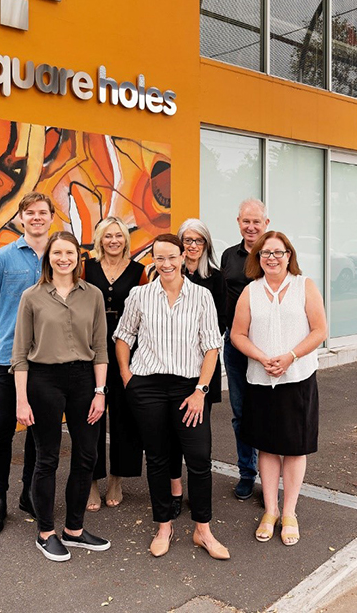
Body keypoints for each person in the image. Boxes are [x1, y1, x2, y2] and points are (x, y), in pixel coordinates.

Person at [114, 233, 229, 560]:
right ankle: (164, 525)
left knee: (198, 458)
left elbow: (211, 347)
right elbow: (123, 336)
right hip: (147, 387)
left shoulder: (202, 296)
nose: (166, 264)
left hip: (189, 388)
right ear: (153, 259)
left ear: (183, 257)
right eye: (159, 258)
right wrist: (127, 377)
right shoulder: (140, 295)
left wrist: (201, 391)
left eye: (172, 257)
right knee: (159, 458)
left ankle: (202, 530)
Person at [12, 231, 111, 562]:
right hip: (44, 381)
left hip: (84, 380)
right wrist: (21, 400)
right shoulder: (32, 297)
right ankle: (45, 533)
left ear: (78, 258)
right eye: (57, 253)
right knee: (48, 458)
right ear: (49, 258)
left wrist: (100, 392)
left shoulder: (93, 295)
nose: (64, 258)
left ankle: (74, 529)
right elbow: (20, 353)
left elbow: (100, 348)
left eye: (70, 252)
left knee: (87, 456)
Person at [231, 231, 327, 546]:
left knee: (295, 447)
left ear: (289, 255)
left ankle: (289, 512)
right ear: (257, 259)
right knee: (268, 446)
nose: (272, 258)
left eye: (278, 252)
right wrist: (261, 357)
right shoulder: (250, 291)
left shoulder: (305, 286)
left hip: (297, 378)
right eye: (265, 253)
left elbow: (320, 330)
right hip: (261, 380)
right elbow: (238, 335)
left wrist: (290, 356)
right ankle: (270, 510)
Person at [0, 191, 52, 536]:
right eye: (30, 212)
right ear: (21, 218)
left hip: (47, 363)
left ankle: (29, 495)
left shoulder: (61, 257)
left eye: (43, 212)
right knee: (1, 431)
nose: (36, 217)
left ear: (52, 217)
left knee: (39, 434)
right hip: (7, 360)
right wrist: (10, 333)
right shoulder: (2, 259)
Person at [83, 216, 148, 511]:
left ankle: (116, 479)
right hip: (91, 346)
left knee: (125, 417)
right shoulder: (87, 267)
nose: (113, 241)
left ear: (125, 240)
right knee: (91, 415)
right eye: (107, 236)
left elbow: (146, 314)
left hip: (127, 348)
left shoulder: (139, 271)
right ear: (100, 240)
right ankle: (92, 482)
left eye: (118, 236)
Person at [173, 218, 226, 519]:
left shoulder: (216, 279)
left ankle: (197, 489)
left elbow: (220, 324)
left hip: (203, 365)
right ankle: (175, 490)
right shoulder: (167, 273)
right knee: (172, 434)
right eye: (187, 240)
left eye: (198, 241)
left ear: (206, 245)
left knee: (198, 433)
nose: (192, 246)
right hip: (172, 364)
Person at [221, 198, 269, 500]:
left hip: (268, 346)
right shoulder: (228, 256)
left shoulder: (275, 254)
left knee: (268, 413)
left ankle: (270, 477)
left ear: (266, 223)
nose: (251, 227)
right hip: (234, 345)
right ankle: (246, 473)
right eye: (246, 221)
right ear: (238, 222)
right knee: (240, 414)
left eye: (257, 221)